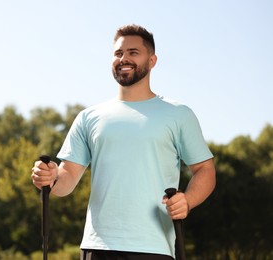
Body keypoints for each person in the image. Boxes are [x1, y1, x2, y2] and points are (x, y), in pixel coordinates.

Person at [31, 24, 216, 260]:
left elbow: (205, 170)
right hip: (97, 247)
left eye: (133, 52)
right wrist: (50, 177)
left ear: (152, 61)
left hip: (154, 248)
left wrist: (187, 200)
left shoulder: (178, 114)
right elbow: (65, 180)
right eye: (118, 53)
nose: (124, 58)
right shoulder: (89, 117)